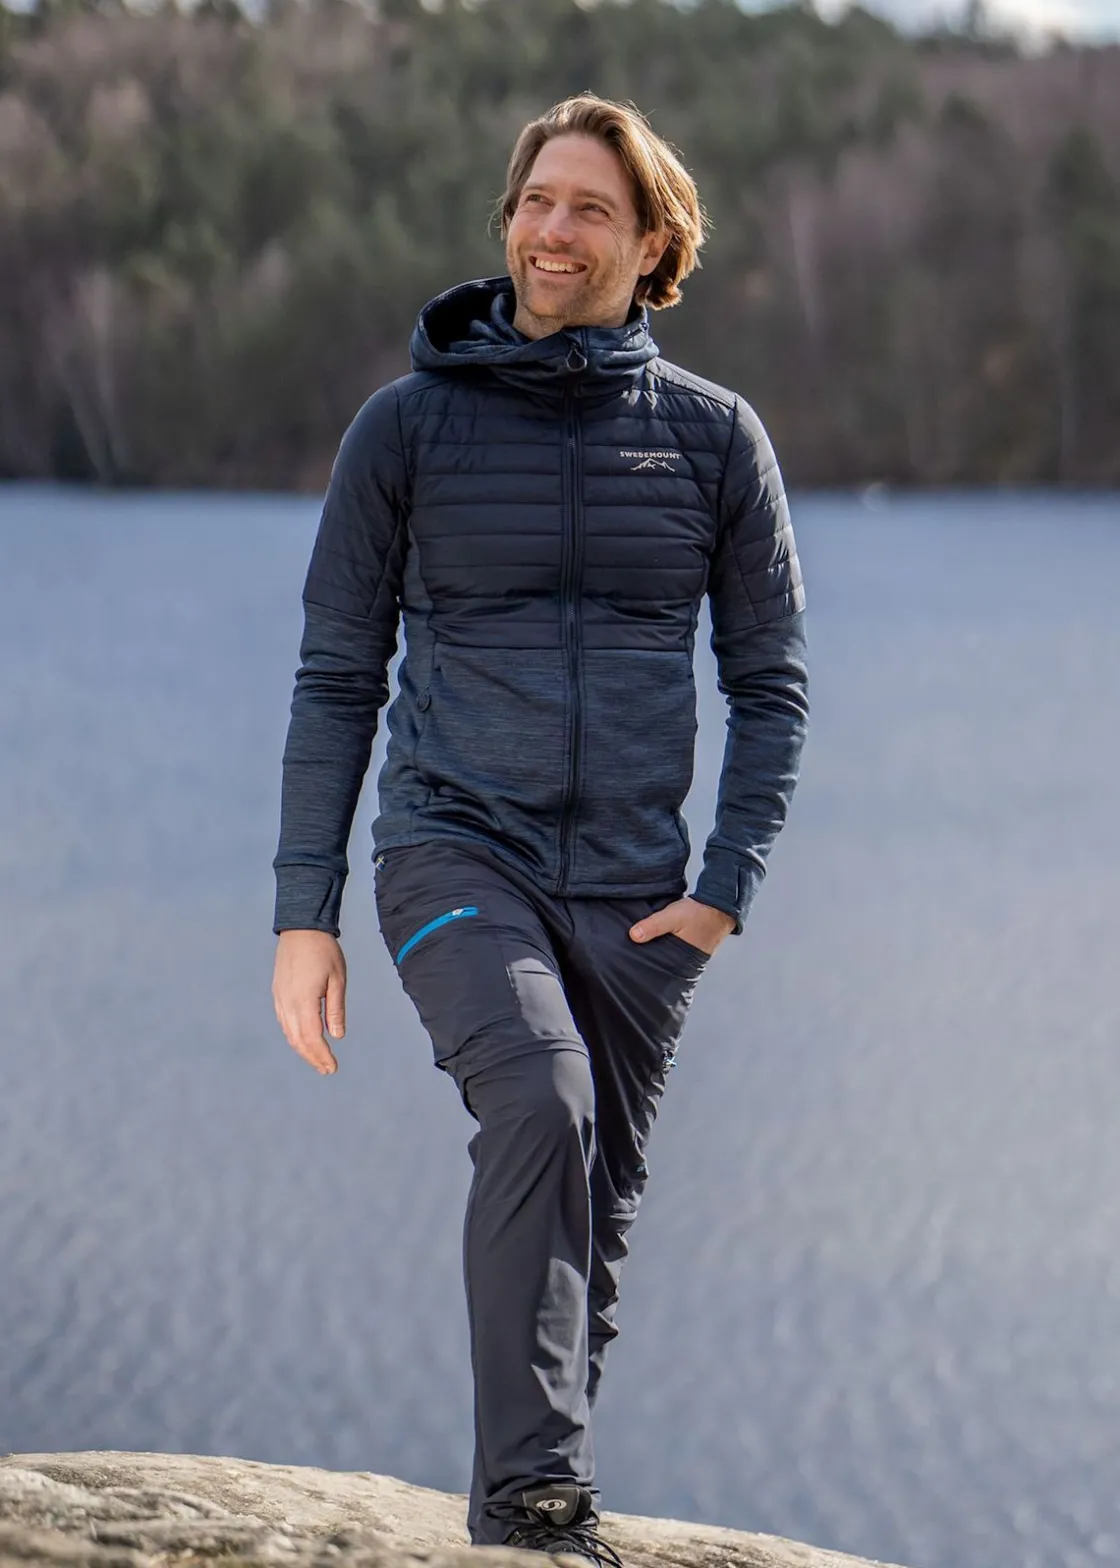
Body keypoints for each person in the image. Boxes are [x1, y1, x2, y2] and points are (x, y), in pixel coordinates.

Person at [271, 95, 808, 1565]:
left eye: (590, 209)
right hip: (454, 850)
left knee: (593, 1217)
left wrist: (724, 890)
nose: (551, 231)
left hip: (637, 893)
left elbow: (772, 685)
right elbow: (337, 677)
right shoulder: (405, 430)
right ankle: (530, 1506)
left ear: (654, 248)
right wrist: (304, 913)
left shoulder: (714, 441)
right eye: (535, 201)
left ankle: (543, 1501)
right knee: (539, 1099)